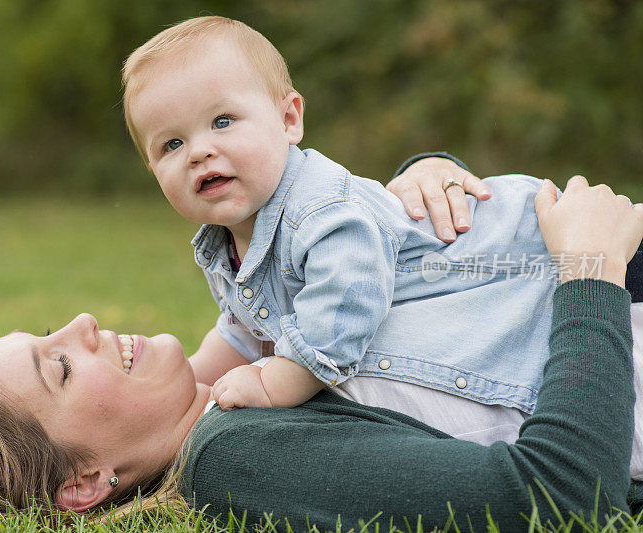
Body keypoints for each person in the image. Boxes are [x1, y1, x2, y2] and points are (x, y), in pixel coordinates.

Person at [0, 166, 642, 531]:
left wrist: (421, 181)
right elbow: (557, 497)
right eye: (58, 365)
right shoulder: (237, 454)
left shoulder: (259, 353)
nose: (82, 322)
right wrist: (590, 272)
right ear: (84, 482)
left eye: (50, 330)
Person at [121, 17, 640, 426]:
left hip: (527, 249)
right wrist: (192, 381)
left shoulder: (319, 211)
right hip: (500, 297)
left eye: (222, 121)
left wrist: (279, 380)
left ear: (289, 119)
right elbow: (241, 329)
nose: (199, 152)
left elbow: (348, 299)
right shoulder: (225, 244)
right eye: (172, 144)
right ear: (152, 169)